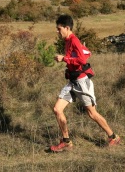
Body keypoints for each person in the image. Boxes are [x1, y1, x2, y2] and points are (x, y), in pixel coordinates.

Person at [50, 14, 121, 152]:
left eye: (59, 29)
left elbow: (82, 61)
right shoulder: (68, 41)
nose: (57, 32)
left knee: (92, 113)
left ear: (67, 28)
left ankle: (113, 137)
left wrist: (64, 59)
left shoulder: (74, 40)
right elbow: (85, 53)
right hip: (72, 81)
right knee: (57, 109)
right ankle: (66, 141)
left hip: (82, 82)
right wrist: (82, 52)